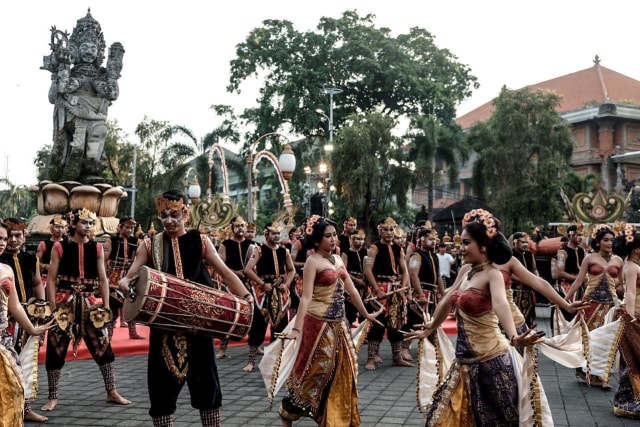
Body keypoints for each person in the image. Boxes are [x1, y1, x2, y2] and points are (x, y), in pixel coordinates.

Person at [118, 189, 251, 427]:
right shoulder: (150, 244)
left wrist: (246, 297)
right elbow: (130, 275)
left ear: (186, 213)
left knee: (207, 387)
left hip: (200, 324)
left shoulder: (200, 240)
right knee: (161, 389)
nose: (169, 220)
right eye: (164, 215)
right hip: (164, 326)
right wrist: (125, 282)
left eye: (175, 214)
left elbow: (226, 273)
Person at [406, 208, 547, 425]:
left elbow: (501, 304)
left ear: (483, 245)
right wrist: (431, 326)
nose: (460, 248)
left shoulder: (493, 275)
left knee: (499, 421)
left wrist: (513, 336)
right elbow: (447, 300)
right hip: (464, 362)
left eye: (465, 243)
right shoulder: (466, 271)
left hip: (493, 362)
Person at [278, 216, 382, 426]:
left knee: (341, 372)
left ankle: (332, 418)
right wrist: (297, 329)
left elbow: (351, 290)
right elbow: (306, 297)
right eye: (328, 236)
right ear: (317, 241)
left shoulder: (338, 260)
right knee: (314, 373)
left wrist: (366, 314)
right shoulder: (312, 262)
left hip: (339, 325)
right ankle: (288, 413)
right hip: (317, 326)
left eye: (334, 235)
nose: (333, 239)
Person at [42, 208, 130, 411]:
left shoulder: (97, 248)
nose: (88, 226)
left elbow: (103, 279)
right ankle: (53, 396)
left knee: (103, 345)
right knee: (56, 348)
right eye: (84, 222)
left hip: (90, 302)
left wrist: (107, 307)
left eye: (91, 223)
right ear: (73, 224)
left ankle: (112, 391)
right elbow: (52, 280)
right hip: (65, 302)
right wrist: (52, 306)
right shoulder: (59, 247)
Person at [43, 11, 125, 181]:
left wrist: (112, 73)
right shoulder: (74, 73)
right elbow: (61, 90)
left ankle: (91, 169)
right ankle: (69, 178)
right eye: (85, 47)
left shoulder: (100, 75)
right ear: (76, 50)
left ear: (99, 51)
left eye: (93, 48)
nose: (89, 52)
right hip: (74, 114)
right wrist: (64, 67)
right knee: (77, 147)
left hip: (96, 117)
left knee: (100, 133)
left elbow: (113, 94)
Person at [0, 222, 53, 424]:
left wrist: (34, 327)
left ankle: (25, 410)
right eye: (2, 238)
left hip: (3, 339)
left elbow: (14, 306)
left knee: (14, 386)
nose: (5, 242)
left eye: (5, 238)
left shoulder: (6, 269)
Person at [565, 223, 623, 389]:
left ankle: (604, 378)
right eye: (606, 240)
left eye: (612, 240)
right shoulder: (589, 258)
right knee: (591, 339)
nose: (609, 243)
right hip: (590, 304)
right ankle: (589, 371)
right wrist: (563, 300)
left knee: (608, 340)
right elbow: (578, 280)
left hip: (610, 306)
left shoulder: (618, 261)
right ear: (598, 242)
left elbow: (623, 285)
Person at [243, 222, 296, 373]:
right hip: (263, 291)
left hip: (279, 291)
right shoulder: (259, 250)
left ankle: (276, 361)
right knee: (258, 325)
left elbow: (291, 270)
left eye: (279, 233)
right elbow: (248, 269)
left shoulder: (284, 251)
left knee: (280, 326)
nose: (277, 236)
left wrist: (286, 284)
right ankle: (251, 361)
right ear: (267, 234)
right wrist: (261, 283)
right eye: (274, 233)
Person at [363, 217, 412, 370]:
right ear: (380, 231)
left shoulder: (399, 248)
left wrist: (404, 288)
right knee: (377, 325)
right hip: (380, 291)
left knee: (396, 325)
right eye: (386, 229)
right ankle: (370, 359)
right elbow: (367, 271)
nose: (389, 233)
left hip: (396, 291)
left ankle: (397, 358)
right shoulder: (374, 248)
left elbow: (404, 271)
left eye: (391, 229)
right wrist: (377, 289)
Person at [216, 216, 252, 359]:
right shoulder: (225, 244)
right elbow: (221, 264)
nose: (241, 228)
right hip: (231, 284)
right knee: (228, 316)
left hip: (249, 284)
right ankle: (223, 348)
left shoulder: (252, 244)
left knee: (253, 315)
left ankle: (253, 345)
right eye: (238, 226)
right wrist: (236, 273)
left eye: (243, 225)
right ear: (232, 228)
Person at [613, 228, 640, 418]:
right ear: (637, 249)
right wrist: (631, 318)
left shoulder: (634, 264)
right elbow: (630, 292)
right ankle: (626, 402)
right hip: (634, 314)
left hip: (636, 315)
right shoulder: (632, 266)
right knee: (632, 360)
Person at [104, 216, 144, 339]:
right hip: (113, 277)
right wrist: (103, 276)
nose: (129, 230)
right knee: (113, 305)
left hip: (130, 276)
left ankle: (132, 332)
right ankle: (109, 333)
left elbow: (141, 259)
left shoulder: (137, 242)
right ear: (120, 227)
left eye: (132, 228)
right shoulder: (111, 241)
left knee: (132, 304)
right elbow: (104, 260)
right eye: (127, 227)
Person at [407, 228, 444, 320]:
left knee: (432, 324)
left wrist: (443, 295)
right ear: (422, 239)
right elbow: (413, 275)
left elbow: (439, 276)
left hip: (432, 294)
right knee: (418, 323)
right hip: (421, 293)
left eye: (435, 239)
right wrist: (421, 294)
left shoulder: (435, 256)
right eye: (431, 239)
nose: (434, 242)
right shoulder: (416, 256)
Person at [551, 224, 586, 322]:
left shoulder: (581, 251)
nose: (580, 238)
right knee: (565, 316)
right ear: (570, 236)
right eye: (577, 235)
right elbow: (559, 273)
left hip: (579, 288)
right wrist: (578, 278)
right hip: (564, 287)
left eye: (581, 235)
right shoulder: (563, 252)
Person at [341, 229, 368, 326]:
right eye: (358, 239)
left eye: (362, 239)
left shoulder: (366, 252)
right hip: (350, 285)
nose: (360, 242)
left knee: (364, 313)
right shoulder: (346, 253)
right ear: (351, 239)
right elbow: (343, 271)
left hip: (364, 287)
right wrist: (356, 280)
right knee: (349, 312)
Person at [510, 232, 538, 326]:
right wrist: (525, 280)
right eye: (522, 242)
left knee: (528, 319)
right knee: (514, 318)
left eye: (527, 242)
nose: (525, 244)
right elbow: (509, 273)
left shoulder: (530, 254)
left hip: (528, 291)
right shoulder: (510, 255)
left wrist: (537, 280)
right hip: (515, 291)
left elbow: (534, 269)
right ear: (515, 242)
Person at [36, 215, 68, 284]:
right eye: (57, 227)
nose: (60, 230)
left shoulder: (68, 244)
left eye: (62, 227)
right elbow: (36, 261)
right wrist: (44, 266)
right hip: (47, 277)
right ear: (51, 228)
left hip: (64, 279)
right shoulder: (43, 244)